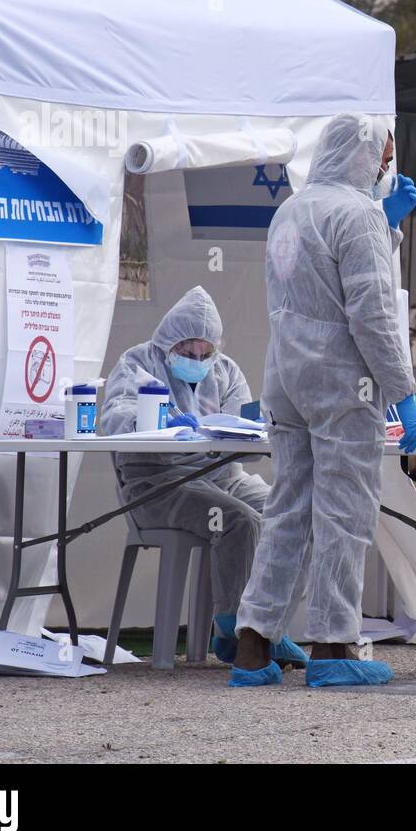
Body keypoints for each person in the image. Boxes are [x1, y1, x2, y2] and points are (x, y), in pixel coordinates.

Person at [229, 113, 416, 689]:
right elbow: (371, 312)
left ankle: (253, 643)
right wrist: (403, 391)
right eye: (385, 153)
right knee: (345, 511)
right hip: (340, 379)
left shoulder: (292, 208)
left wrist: (384, 229)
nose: (388, 163)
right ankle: (335, 643)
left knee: (288, 507)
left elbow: (314, 284)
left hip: (286, 373)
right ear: (363, 153)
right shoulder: (357, 213)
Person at [100, 285, 308, 669]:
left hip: (222, 475)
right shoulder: (138, 363)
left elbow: (240, 425)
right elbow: (112, 418)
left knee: (294, 516)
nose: (197, 360)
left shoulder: (225, 371)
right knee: (239, 521)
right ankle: (233, 629)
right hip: (159, 482)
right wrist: (157, 419)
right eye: (186, 351)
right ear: (167, 344)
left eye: (205, 352)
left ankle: (269, 625)